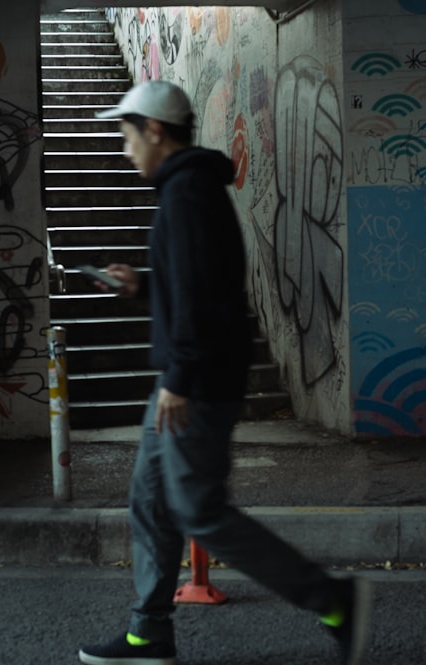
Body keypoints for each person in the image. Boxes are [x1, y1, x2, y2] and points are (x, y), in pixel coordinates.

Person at [77, 80, 371, 665]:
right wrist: (143, 284)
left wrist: (182, 375)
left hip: (195, 383)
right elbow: (193, 282)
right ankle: (148, 633)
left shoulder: (186, 195)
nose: (124, 146)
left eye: (127, 133)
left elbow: (205, 297)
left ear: (155, 131)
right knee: (151, 501)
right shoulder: (190, 190)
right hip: (186, 376)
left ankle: (334, 599)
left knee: (198, 511)